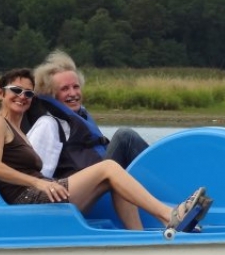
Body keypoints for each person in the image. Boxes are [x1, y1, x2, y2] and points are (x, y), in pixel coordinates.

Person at [0, 68, 207, 231]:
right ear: (1, 93)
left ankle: (137, 238)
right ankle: (169, 215)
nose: (22, 97)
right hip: (27, 199)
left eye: (28, 93)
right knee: (108, 167)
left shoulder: (19, 131)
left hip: (41, 194)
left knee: (115, 178)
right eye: (16, 90)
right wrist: (40, 183)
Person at [26, 50, 149, 179]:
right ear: (51, 94)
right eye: (65, 89)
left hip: (104, 177)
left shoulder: (80, 116)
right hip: (87, 189)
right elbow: (36, 174)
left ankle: (161, 185)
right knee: (125, 137)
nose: (73, 93)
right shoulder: (48, 124)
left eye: (76, 86)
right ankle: (167, 183)